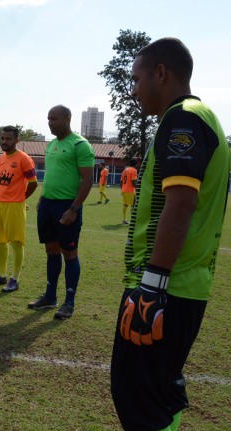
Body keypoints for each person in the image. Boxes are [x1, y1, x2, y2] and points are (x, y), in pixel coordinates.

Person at [111, 38, 230, 431]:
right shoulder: (198, 116)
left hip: (164, 287)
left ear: (160, 73)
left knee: (139, 398)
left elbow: (181, 203)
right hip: (179, 285)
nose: (132, 90)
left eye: (136, 79)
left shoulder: (184, 118)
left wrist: (151, 286)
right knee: (160, 392)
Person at [27, 105, 95, 320]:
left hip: (67, 205)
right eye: (48, 119)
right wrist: (42, 197)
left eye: (54, 119)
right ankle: (50, 297)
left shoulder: (80, 145)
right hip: (47, 204)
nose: (50, 122)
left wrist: (74, 208)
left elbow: (87, 179)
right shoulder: (51, 145)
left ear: (67, 118)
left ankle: (69, 302)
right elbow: (52, 175)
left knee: (70, 253)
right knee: (51, 250)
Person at [0, 126, 38, 292]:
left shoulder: (24, 159)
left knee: (16, 242)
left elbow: (33, 183)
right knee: (0, 241)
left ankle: (15, 279)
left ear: (16, 140)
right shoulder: (1, 159)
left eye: (8, 139)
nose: (4, 142)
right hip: (0, 203)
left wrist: (21, 199)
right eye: (2, 138)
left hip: (15, 206)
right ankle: (1, 275)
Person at [119, 159, 138, 224]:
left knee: (125, 205)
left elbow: (121, 181)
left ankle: (124, 220)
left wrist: (122, 189)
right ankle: (133, 221)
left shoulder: (125, 170)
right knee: (134, 204)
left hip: (124, 189)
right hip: (130, 190)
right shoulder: (134, 170)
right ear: (135, 164)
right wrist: (138, 188)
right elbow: (133, 181)